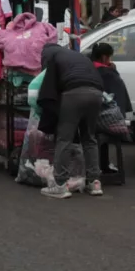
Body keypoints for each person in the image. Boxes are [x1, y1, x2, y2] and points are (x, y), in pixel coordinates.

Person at [37, 33, 106, 199]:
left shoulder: (53, 58)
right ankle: (94, 182)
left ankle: (60, 184)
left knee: (64, 138)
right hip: (97, 93)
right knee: (89, 138)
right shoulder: (78, 56)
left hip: (74, 92)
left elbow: (49, 89)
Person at [92, 42, 131, 174]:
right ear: (104, 57)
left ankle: (101, 164)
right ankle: (103, 165)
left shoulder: (89, 69)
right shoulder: (108, 73)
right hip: (107, 118)